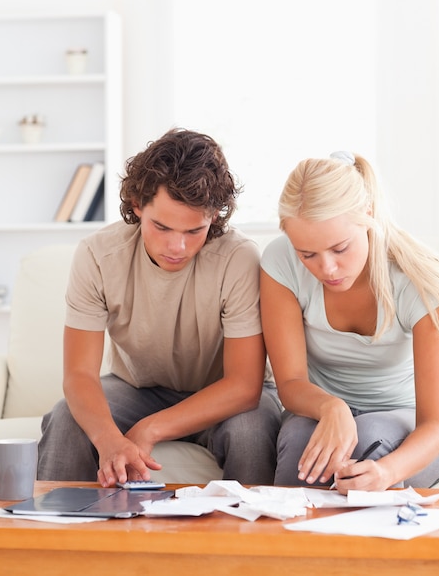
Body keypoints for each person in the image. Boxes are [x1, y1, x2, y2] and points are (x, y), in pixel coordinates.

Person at [38, 128, 282, 487]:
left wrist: (149, 429)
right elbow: (79, 375)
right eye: (161, 227)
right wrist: (108, 440)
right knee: (66, 419)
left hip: (224, 394)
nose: (177, 247)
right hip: (139, 390)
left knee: (252, 430)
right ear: (137, 205)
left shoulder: (238, 258)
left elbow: (244, 386)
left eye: (194, 231)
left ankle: (248, 544)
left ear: (214, 216)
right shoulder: (98, 255)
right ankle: (57, 541)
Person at [260, 151, 439, 492]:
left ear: (367, 215)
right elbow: (290, 382)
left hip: (407, 421)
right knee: (297, 442)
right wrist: (331, 406)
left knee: (367, 445)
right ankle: (286, 545)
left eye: (340, 248)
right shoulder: (281, 262)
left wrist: (386, 474)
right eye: (307, 254)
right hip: (317, 409)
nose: (327, 269)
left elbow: (436, 426)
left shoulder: (421, 280)